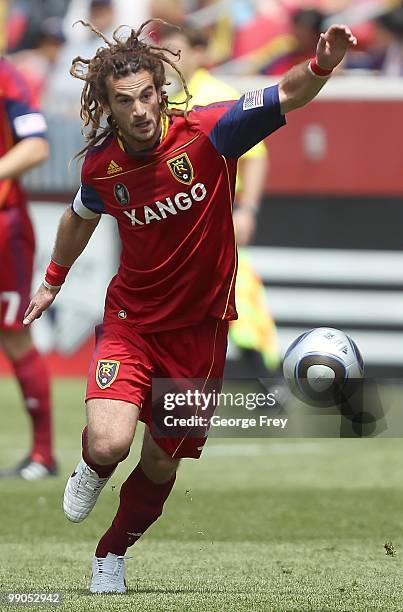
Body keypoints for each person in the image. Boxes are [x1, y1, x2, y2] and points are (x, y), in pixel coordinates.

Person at [23, 20, 357, 592]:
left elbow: (288, 94)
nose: (141, 111)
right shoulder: (102, 165)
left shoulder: (210, 132)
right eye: (124, 102)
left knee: (160, 462)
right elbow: (79, 215)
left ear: (161, 89)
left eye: (148, 96)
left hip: (199, 334)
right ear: (107, 106)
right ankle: (93, 467)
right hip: (130, 322)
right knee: (109, 442)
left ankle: (112, 551)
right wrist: (53, 279)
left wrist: (322, 64)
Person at [159, 22, 281, 376]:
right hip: (173, 219)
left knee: (237, 289)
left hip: (216, 214)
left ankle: (267, 376)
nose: (170, 58)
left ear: (200, 53)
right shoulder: (156, 99)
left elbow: (255, 156)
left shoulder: (218, 95)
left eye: (178, 50)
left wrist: (247, 209)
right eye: (165, 51)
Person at [0, 57, 55, 480]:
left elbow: (36, 145)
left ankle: (42, 454)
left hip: (4, 226)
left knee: (15, 335)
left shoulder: (6, 76)